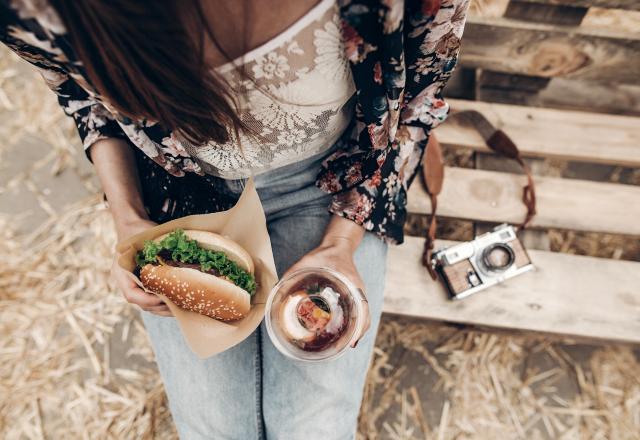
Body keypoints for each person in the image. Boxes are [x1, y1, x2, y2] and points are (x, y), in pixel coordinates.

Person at [0, 0, 469, 438]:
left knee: (315, 426)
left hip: (335, 183)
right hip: (178, 193)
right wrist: (128, 219)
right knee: (213, 428)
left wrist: (342, 243)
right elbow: (83, 99)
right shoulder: (35, 8)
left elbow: (418, 100)